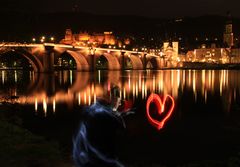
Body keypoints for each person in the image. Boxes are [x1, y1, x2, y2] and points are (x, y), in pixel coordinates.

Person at [73, 85, 134, 167]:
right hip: (96, 158)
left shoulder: (95, 110)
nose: (119, 103)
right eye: (118, 100)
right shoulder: (105, 115)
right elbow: (121, 130)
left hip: (86, 156)